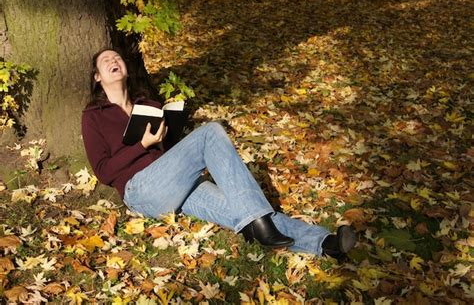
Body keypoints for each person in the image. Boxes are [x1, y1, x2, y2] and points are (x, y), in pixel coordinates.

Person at [81, 48, 356, 258]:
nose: (113, 61)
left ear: (127, 68)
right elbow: (103, 171)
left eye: (117, 57)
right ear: (97, 77)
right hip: (140, 191)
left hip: (173, 185)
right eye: (106, 61)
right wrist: (141, 144)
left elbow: (170, 153)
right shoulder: (94, 116)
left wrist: (171, 128)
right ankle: (260, 226)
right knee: (210, 132)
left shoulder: (149, 104)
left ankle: (326, 244)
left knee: (242, 207)